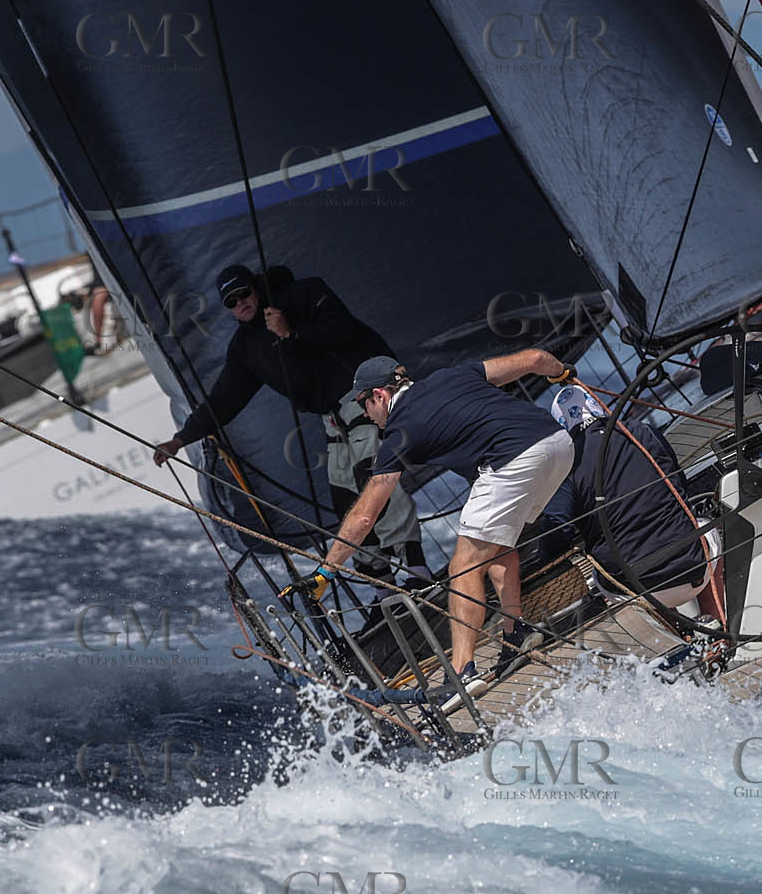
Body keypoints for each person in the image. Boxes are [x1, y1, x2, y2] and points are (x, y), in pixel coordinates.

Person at [285, 351, 577, 691]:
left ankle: (461, 673)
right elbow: (536, 358)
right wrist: (561, 374)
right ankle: (516, 635)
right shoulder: (453, 374)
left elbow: (365, 516)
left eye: (364, 404)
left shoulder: (398, 433)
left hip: (514, 460)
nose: (365, 414)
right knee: (497, 546)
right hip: (558, 444)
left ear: (379, 395)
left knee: (464, 567)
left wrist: (326, 571)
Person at [153, 263, 430, 596]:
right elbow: (224, 398)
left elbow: (346, 329)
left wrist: (292, 332)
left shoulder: (303, 294)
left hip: (363, 394)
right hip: (331, 416)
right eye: (231, 302)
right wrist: (180, 440)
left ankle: (417, 569)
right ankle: (382, 585)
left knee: (374, 478)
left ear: (256, 286)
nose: (241, 303)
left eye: (244, 293)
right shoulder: (245, 347)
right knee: (346, 499)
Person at [540, 385, 724, 620]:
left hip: (637, 589)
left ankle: (678, 630)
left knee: (607, 571)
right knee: (703, 526)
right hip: (694, 568)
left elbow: (557, 527)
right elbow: (677, 481)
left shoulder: (565, 465)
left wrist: (547, 554)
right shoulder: (641, 431)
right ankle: (716, 622)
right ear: (596, 405)